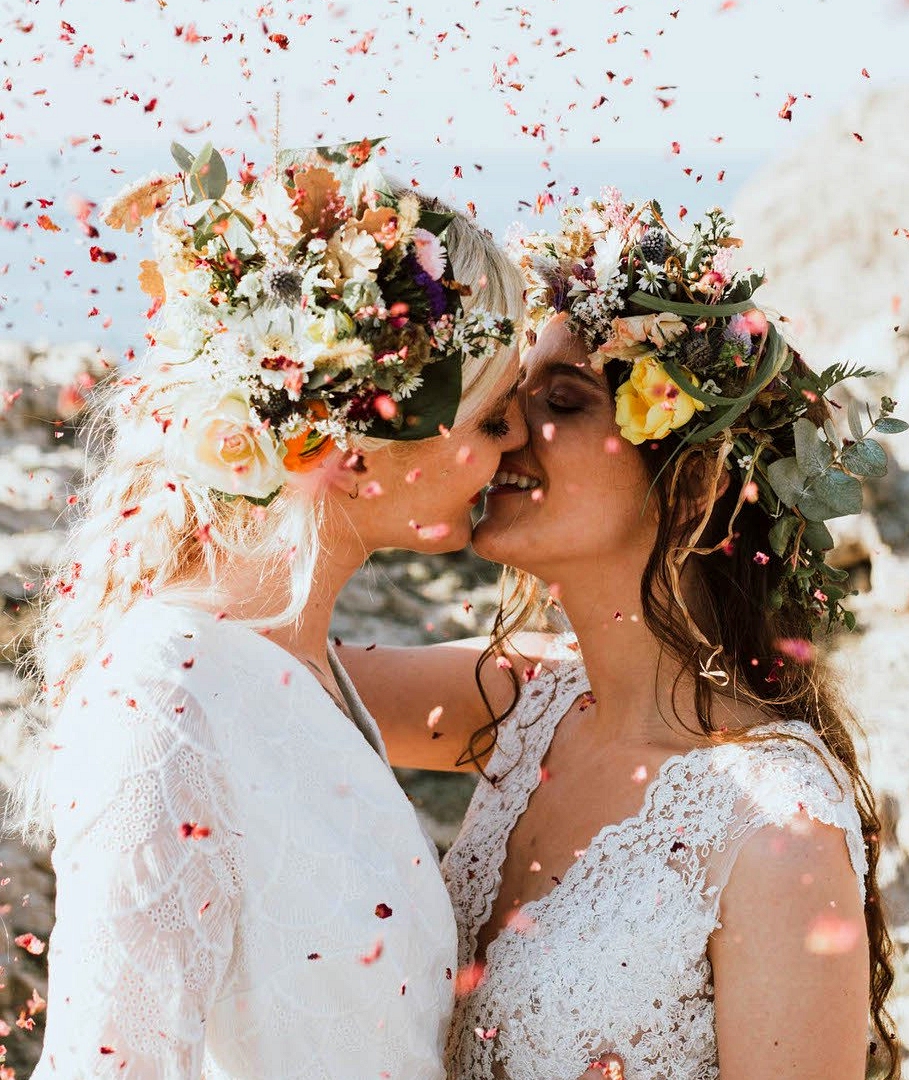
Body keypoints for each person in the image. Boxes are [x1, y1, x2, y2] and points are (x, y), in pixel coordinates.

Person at [337, 190, 903, 1080]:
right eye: (512, 394)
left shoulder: (776, 828)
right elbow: (268, 676)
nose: (511, 427)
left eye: (563, 400)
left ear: (689, 488)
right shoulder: (526, 701)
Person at [15, 136, 526, 1080]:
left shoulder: (297, 673)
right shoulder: (167, 705)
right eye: (494, 417)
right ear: (364, 435)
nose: (520, 443)